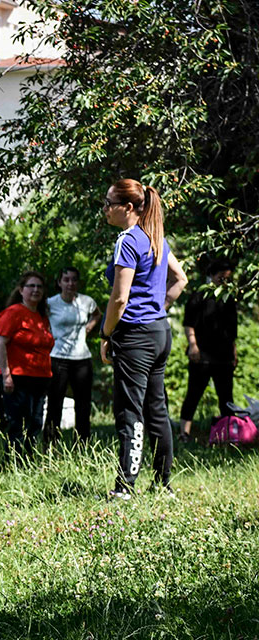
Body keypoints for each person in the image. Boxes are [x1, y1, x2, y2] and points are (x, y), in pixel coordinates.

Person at [99, 178, 187, 498]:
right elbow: (181, 279)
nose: (105, 209)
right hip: (160, 333)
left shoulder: (128, 241)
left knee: (130, 411)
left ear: (129, 208)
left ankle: (125, 488)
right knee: (157, 410)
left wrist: (106, 334)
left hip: (135, 336)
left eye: (110, 203)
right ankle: (163, 486)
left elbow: (119, 299)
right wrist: (157, 308)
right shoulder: (157, 239)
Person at [0, 272, 55, 456]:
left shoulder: (42, 317)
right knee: (18, 423)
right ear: (21, 290)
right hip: (18, 377)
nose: (36, 290)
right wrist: (6, 375)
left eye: (39, 287)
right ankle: (13, 463)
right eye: (31, 286)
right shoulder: (13, 313)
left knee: (35, 423)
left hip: (41, 378)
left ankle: (27, 462)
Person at [180, 258, 237, 441]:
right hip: (202, 355)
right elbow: (189, 324)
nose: (224, 282)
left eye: (227, 279)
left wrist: (234, 352)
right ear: (212, 276)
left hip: (224, 356)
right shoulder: (199, 297)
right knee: (193, 394)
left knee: (226, 396)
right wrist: (193, 345)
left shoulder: (229, 299)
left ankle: (229, 435)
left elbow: (232, 330)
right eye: (221, 278)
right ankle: (184, 433)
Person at [45, 267, 100, 443]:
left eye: (74, 279)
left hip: (82, 359)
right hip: (58, 358)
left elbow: (97, 314)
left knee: (83, 406)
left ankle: (82, 445)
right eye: (66, 280)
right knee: (55, 404)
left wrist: (88, 328)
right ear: (59, 282)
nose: (70, 283)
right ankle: (50, 446)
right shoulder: (50, 303)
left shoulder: (86, 301)